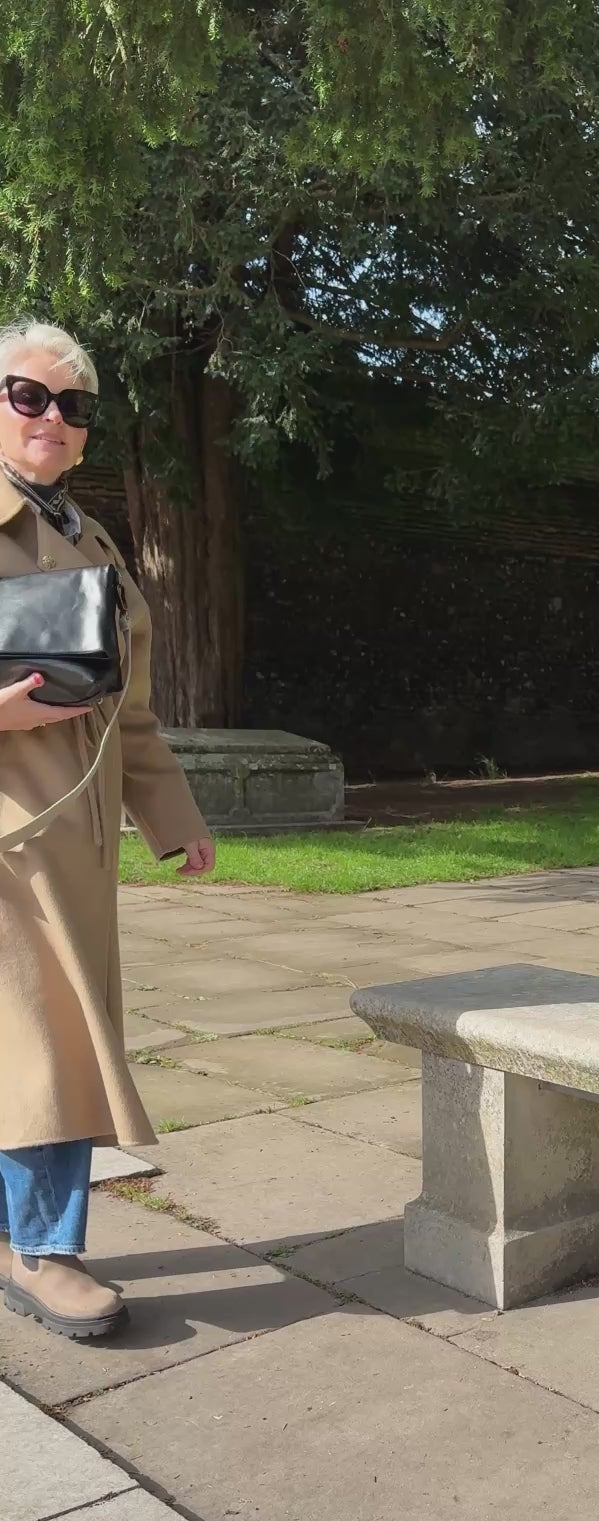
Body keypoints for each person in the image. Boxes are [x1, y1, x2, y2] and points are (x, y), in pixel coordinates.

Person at [0, 320, 214, 1341]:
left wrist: (171, 817)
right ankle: (44, 1253)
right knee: (45, 1048)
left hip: (70, 845)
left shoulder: (90, 540)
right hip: (7, 842)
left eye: (72, 407)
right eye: (27, 396)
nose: (52, 419)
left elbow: (125, 708)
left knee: (35, 1044)